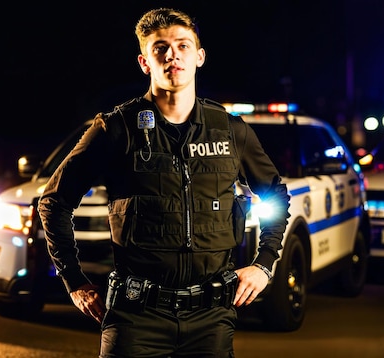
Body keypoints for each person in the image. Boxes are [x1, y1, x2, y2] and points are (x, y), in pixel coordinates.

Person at [38, 7, 290, 357]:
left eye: (183, 45)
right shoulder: (117, 129)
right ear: (145, 62)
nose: (173, 55)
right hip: (135, 318)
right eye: (161, 48)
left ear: (199, 56)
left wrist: (264, 264)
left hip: (211, 318)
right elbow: (54, 201)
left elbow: (275, 194)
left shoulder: (231, 131)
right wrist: (74, 281)